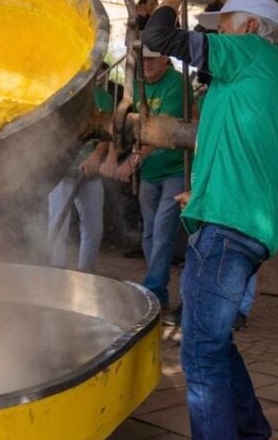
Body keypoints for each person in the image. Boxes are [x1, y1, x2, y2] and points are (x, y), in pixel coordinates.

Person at [143, 0, 278, 439]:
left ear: (249, 27)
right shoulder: (276, 75)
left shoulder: (249, 53)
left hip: (228, 228)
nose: (217, 34)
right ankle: (253, 432)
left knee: (200, 353)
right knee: (215, 344)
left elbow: (157, 37)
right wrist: (218, 187)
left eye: (223, 25)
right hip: (249, 224)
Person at [110, 48, 193, 318]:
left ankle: (154, 290)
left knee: (162, 231)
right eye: (142, 59)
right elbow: (124, 124)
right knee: (149, 233)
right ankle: (159, 292)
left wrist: (132, 161)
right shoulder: (137, 86)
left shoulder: (177, 83)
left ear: (165, 59)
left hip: (175, 169)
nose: (146, 63)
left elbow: (162, 131)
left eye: (151, 59)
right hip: (151, 172)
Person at [49, 63, 112, 272]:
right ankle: (54, 272)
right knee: (57, 227)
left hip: (90, 174)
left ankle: (87, 272)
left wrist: (96, 156)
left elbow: (109, 132)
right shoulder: (62, 95)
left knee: (94, 229)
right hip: (61, 174)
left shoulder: (104, 98)